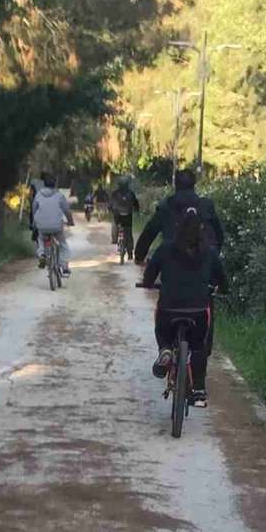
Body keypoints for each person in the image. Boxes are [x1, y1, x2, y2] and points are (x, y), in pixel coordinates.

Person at [144, 209, 227, 406]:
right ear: (202, 230)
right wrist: (222, 288)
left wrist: (149, 283)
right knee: (198, 347)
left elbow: (149, 274)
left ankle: (165, 349)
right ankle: (198, 391)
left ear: (178, 228)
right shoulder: (210, 251)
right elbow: (222, 279)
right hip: (198, 310)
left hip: (169, 308)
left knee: (162, 327)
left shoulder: (165, 248)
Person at [133, 167, 224, 265]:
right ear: (194, 185)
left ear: (175, 185)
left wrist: (139, 256)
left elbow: (149, 233)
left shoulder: (166, 207)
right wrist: (214, 256)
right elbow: (219, 235)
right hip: (204, 266)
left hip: (173, 265)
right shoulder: (206, 206)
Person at [30, 172, 73, 273]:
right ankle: (64, 265)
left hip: (42, 226)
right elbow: (67, 211)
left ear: (44, 183)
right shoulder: (59, 196)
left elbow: (34, 209)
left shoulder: (39, 195)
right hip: (56, 227)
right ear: (55, 184)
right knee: (63, 244)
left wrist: (34, 223)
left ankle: (41, 254)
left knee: (40, 238)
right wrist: (70, 222)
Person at [108, 177, 140, 252]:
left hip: (117, 215)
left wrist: (110, 209)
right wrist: (136, 210)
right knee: (128, 232)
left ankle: (114, 239)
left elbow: (110, 203)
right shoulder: (131, 193)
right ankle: (130, 252)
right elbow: (136, 203)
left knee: (115, 225)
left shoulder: (115, 193)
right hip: (128, 215)